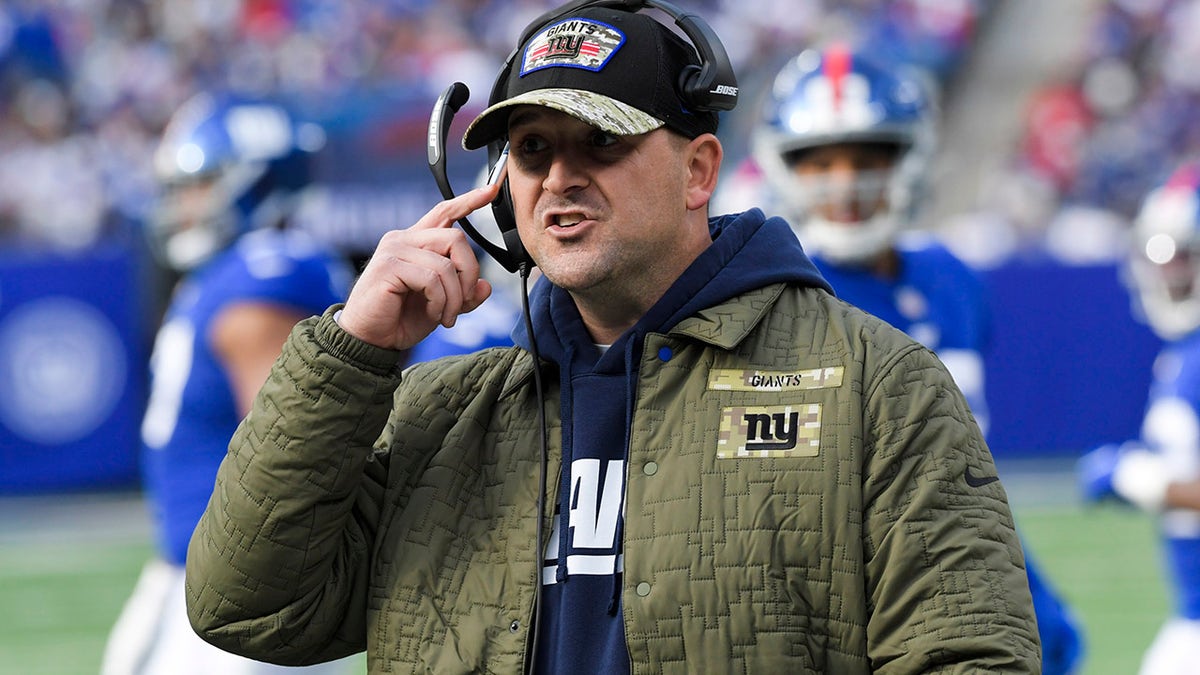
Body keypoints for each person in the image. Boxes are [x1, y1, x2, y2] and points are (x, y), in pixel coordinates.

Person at [184, 2, 1041, 672]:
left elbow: (968, 656)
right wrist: (353, 350)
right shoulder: (441, 407)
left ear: (700, 169)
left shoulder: (874, 381)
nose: (560, 176)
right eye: (530, 148)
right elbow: (244, 603)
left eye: (601, 141)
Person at [738, 44, 1084, 674]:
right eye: (820, 163)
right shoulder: (765, 293)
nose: (845, 183)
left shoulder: (951, 279)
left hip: (965, 556)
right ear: (783, 167)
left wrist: (1028, 589)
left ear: (910, 156)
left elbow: (966, 474)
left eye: (868, 158)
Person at [101, 94, 357, 675]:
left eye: (200, 183)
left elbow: (288, 446)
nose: (183, 204)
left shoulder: (264, 273)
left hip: (242, 589)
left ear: (256, 179)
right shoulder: (230, 272)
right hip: (195, 568)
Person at [1078, 160, 1200, 674]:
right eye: (1160, 255)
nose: (1169, 272)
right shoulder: (1182, 353)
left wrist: (1144, 479)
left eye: (1184, 255)